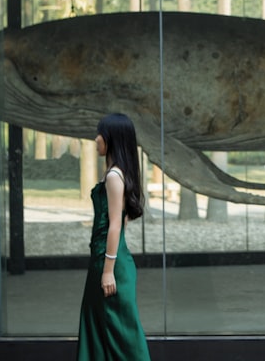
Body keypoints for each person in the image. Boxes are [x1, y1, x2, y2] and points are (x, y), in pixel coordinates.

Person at [77, 113, 150, 360]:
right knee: (104, 326)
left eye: (101, 134)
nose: (96, 139)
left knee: (123, 333)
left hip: (111, 263)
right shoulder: (117, 174)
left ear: (112, 140)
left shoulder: (113, 177)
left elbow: (116, 226)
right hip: (107, 259)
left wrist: (108, 270)